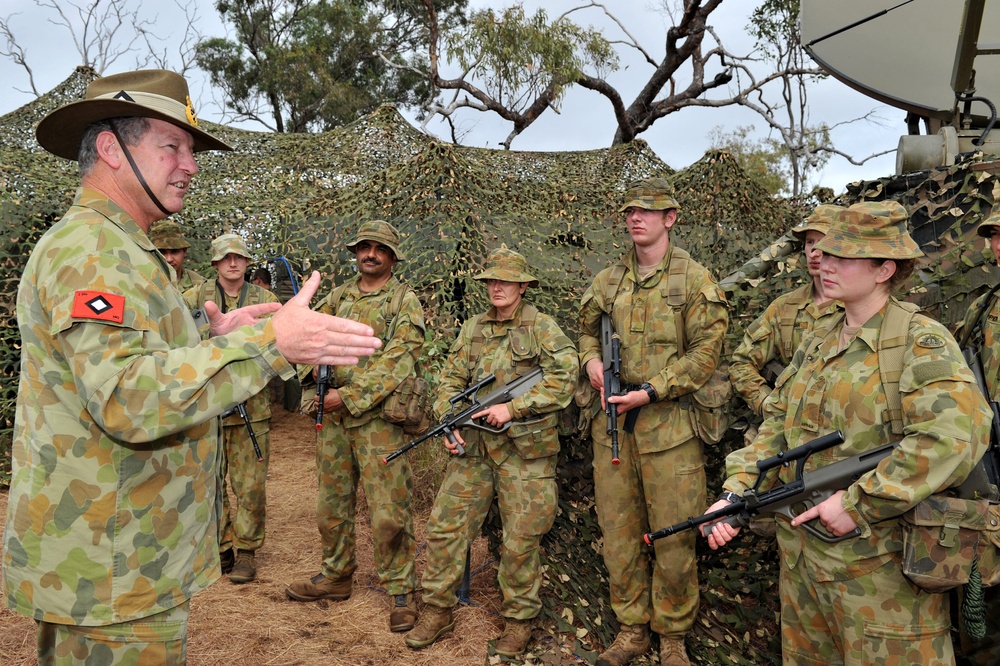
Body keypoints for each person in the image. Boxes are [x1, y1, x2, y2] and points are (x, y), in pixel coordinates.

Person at [1, 69, 380, 665]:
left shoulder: (119, 247)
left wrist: (211, 331)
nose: (190, 165)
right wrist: (271, 344)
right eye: (171, 146)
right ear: (110, 148)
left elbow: (125, 357)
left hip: (121, 561)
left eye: (191, 150)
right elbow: (127, 397)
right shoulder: (95, 250)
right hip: (115, 573)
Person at [706, 201, 991, 665]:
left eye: (843, 256)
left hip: (880, 579)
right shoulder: (819, 340)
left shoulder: (919, 340)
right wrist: (737, 491)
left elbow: (953, 437)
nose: (825, 262)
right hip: (803, 568)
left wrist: (858, 502)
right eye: (824, 252)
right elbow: (777, 424)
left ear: (885, 268)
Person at [578, 178, 728, 666]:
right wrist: (590, 364)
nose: (636, 218)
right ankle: (631, 630)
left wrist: (653, 389)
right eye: (629, 211)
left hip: (671, 431)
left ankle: (673, 638)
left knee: (675, 538)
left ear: (670, 218)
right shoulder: (607, 281)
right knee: (619, 535)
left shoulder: (696, 281)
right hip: (614, 430)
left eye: (648, 210)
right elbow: (584, 331)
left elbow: (707, 353)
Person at [404, 245, 577, 657]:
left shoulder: (542, 327)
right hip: (475, 449)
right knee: (445, 529)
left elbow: (565, 377)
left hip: (525, 453)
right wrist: (450, 423)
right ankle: (437, 610)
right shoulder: (473, 329)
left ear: (522, 286)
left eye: (506, 281)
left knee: (520, 541)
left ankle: (518, 621)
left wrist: (514, 407)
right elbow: (449, 380)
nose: (497, 287)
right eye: (492, 280)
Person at [284, 220, 425, 632]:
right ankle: (336, 575)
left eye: (380, 248)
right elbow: (307, 336)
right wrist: (315, 378)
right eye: (364, 246)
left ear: (392, 257)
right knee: (331, 503)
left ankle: (401, 589)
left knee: (388, 509)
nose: (371, 254)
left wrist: (348, 396)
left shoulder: (404, 300)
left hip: (377, 420)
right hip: (332, 420)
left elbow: (399, 359)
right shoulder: (338, 297)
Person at [183, 233, 281, 584]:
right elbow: (181, 342)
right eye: (226, 258)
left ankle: (247, 552)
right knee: (210, 483)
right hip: (208, 406)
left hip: (251, 406)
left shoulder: (265, 300)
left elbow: (279, 346)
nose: (233, 263)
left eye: (239, 257)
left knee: (250, 485)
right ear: (215, 263)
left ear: (247, 262)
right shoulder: (195, 297)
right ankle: (220, 547)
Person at [730, 204, 844, 435]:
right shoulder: (785, 307)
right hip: (786, 433)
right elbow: (742, 361)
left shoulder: (858, 306)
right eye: (810, 242)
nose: (814, 252)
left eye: (824, 242)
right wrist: (765, 404)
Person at [953, 211, 1000, 666]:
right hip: (991, 464)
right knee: (983, 583)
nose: (999, 244)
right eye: (995, 235)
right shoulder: (982, 307)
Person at [149, 219, 207, 292]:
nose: (169, 259)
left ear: (185, 251)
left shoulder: (200, 285)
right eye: (162, 252)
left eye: (175, 252)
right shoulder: (141, 283)